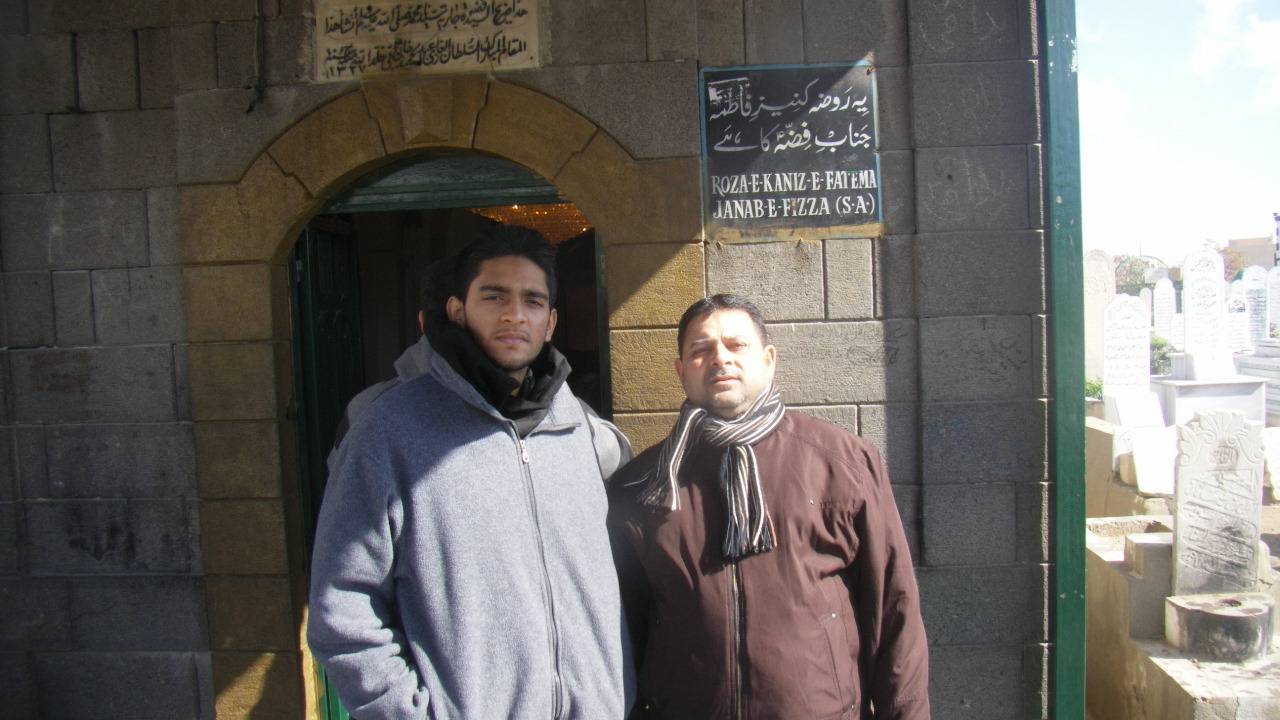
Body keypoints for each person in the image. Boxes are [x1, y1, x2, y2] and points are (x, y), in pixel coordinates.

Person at [308, 225, 634, 719]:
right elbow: (344, 604)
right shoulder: (389, 430)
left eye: (532, 300)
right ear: (457, 310)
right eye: (494, 296)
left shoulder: (576, 430)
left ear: (550, 322)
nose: (514, 314)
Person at [609, 294, 930, 720]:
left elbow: (893, 609)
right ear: (681, 370)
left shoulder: (843, 463)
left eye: (736, 345)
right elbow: (624, 629)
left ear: (768, 359)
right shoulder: (642, 485)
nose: (720, 359)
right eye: (701, 350)